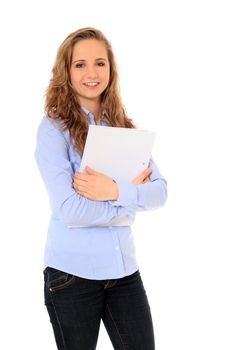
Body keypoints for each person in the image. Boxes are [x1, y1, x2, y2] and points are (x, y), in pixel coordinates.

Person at [34, 27, 167, 350]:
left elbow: (160, 192)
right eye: (80, 64)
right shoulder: (53, 130)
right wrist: (129, 203)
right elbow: (70, 210)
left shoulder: (123, 127)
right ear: (66, 71)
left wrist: (112, 190)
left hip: (124, 274)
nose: (91, 73)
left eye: (99, 63)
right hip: (71, 277)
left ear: (111, 69)